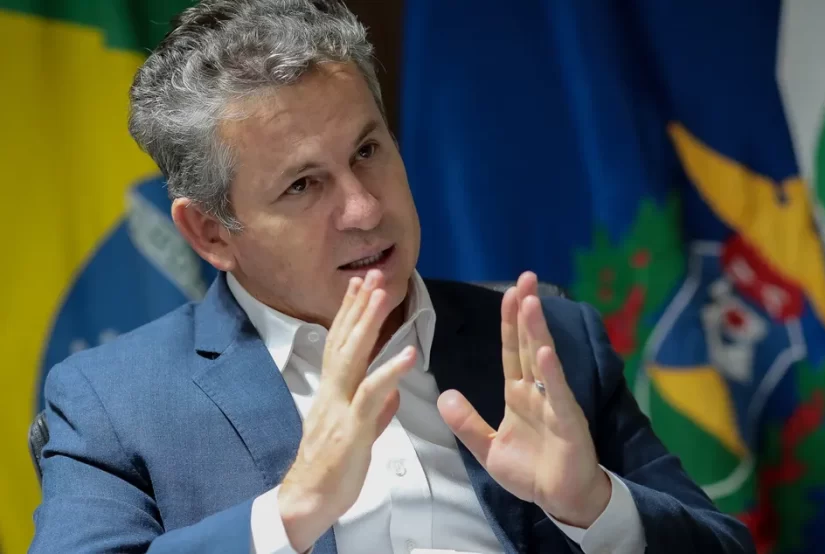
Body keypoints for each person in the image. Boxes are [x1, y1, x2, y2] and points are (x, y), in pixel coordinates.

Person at [30, 1, 754, 553]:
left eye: (367, 151)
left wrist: (595, 505)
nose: (366, 208)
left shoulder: (551, 344)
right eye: (303, 185)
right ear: (211, 233)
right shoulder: (115, 402)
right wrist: (290, 512)